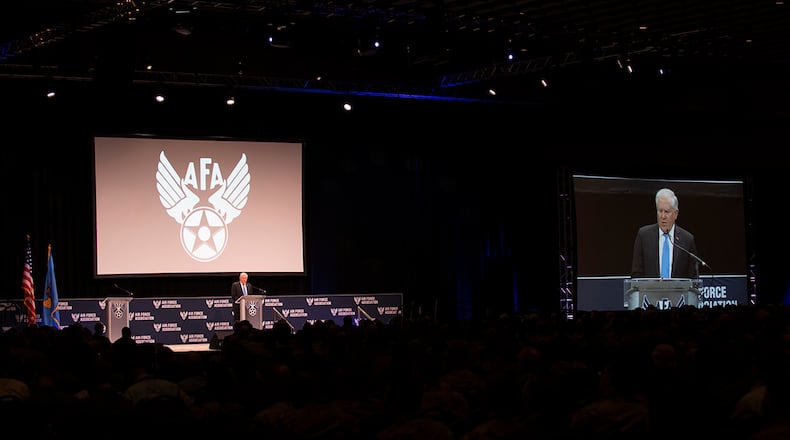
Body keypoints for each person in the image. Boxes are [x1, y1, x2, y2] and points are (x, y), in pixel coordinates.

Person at [631, 188, 699, 279]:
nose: (663, 216)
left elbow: (693, 278)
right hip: (651, 292)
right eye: (660, 211)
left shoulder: (687, 239)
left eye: (667, 212)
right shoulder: (644, 236)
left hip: (677, 292)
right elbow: (636, 275)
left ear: (675, 214)